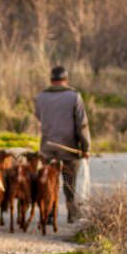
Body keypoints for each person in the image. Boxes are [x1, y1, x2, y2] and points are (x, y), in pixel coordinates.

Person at [34, 65, 91, 223]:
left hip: (47, 148)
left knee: (50, 180)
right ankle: (72, 213)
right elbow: (82, 124)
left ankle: (49, 213)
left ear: (51, 80)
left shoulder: (40, 97)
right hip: (69, 148)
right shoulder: (74, 97)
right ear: (65, 80)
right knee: (68, 181)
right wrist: (86, 148)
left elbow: (39, 117)